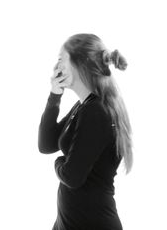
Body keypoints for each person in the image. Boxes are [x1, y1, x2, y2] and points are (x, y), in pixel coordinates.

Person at [38, 33, 133, 230]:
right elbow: (46, 144)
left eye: (60, 59)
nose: (56, 67)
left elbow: (72, 176)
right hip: (69, 222)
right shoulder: (83, 106)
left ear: (79, 63)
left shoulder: (96, 110)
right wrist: (55, 95)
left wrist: (58, 162)